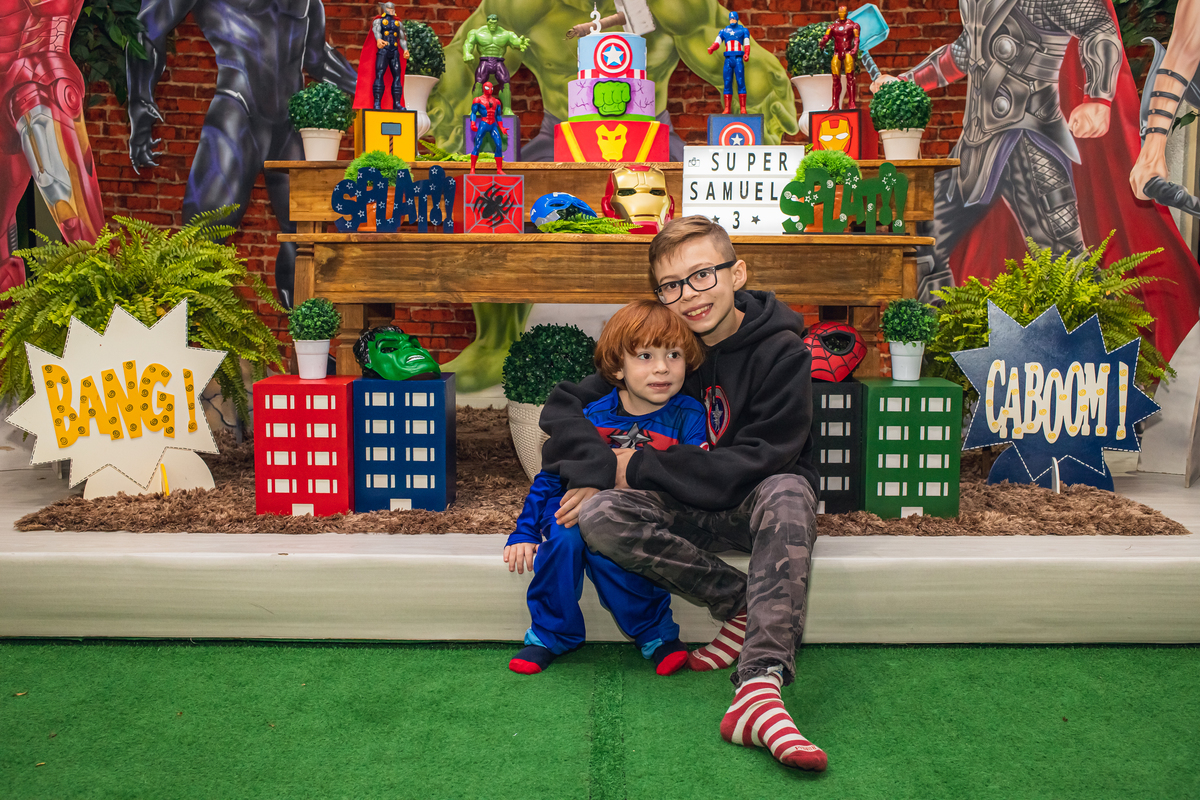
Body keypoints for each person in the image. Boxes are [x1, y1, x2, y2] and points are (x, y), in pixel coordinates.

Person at [540, 216, 827, 772]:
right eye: (671, 285)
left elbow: (764, 457)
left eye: (702, 276)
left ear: (737, 273)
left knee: (791, 487)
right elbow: (564, 404)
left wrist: (639, 465)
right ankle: (740, 602)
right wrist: (599, 469)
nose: (689, 296)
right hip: (681, 506)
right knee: (599, 514)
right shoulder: (667, 344)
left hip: (752, 506)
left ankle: (759, 688)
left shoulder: (783, 351)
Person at [503, 300, 708, 676]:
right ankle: (550, 634)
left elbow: (692, 473)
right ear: (617, 366)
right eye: (645, 356)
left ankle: (654, 633)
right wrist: (525, 531)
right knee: (564, 540)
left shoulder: (689, 415)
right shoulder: (592, 415)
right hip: (572, 507)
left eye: (674, 354)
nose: (662, 367)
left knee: (610, 546)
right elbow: (551, 475)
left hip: (638, 514)